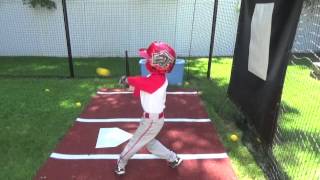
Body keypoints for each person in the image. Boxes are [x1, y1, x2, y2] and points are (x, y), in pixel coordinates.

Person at [116, 41, 183, 175]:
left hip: (152, 120)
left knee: (135, 142)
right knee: (149, 143)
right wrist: (126, 85)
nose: (147, 59)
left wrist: (128, 79)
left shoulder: (158, 79)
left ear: (159, 63)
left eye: (150, 58)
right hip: (151, 119)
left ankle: (121, 161)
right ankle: (173, 158)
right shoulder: (152, 78)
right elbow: (142, 88)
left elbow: (143, 83)